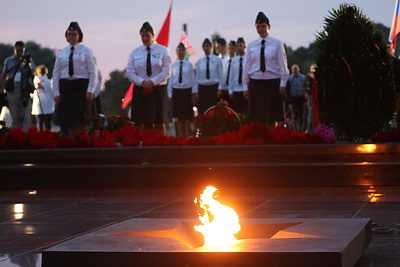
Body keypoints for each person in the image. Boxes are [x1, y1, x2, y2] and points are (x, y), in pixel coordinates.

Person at [243, 12, 289, 127]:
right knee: (257, 117)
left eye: (263, 26)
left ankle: (273, 141)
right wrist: (245, 85)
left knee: (273, 116)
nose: (261, 29)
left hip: (272, 82)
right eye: (258, 27)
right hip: (256, 82)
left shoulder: (277, 43)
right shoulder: (251, 45)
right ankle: (260, 142)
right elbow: (247, 66)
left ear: (269, 26)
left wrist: (283, 82)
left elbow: (283, 63)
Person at [52, 22, 97, 139]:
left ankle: (82, 144)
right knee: (69, 121)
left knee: (81, 120)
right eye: (69, 34)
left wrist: (91, 89)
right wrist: (56, 92)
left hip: (81, 87)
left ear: (79, 35)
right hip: (66, 87)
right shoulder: (62, 52)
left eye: (74, 34)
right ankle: (72, 145)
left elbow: (93, 71)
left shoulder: (86, 51)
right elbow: (56, 73)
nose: (72, 36)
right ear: (66, 36)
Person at [127, 21, 171, 134]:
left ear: (153, 35)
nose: (145, 38)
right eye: (143, 36)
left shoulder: (162, 50)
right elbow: (130, 72)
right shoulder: (135, 52)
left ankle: (161, 145)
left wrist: (153, 82)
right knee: (141, 120)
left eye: (148, 36)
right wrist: (142, 82)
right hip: (141, 90)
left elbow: (166, 70)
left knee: (159, 120)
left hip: (158, 89)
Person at [0, 41, 36, 132]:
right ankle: (16, 135)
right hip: (12, 91)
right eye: (18, 50)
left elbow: (33, 74)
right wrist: (1, 88)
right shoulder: (9, 60)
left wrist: (27, 64)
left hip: (24, 90)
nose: (19, 53)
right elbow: (4, 75)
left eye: (21, 51)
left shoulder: (28, 60)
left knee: (26, 116)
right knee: (15, 116)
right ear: (14, 49)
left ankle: (25, 135)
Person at [167, 43, 195, 137]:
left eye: (183, 50)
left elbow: (193, 79)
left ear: (185, 52)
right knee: (178, 117)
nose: (181, 52)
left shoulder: (189, 65)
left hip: (186, 91)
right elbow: (171, 80)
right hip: (177, 91)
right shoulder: (174, 65)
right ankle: (180, 136)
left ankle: (187, 135)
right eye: (179, 50)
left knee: (186, 117)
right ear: (177, 52)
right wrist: (170, 94)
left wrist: (194, 92)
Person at [193, 38, 223, 114]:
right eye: (204, 46)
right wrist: (196, 90)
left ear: (211, 47)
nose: (206, 48)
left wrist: (220, 88)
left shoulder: (217, 60)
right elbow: (197, 77)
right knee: (203, 109)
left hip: (213, 87)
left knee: (214, 110)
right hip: (203, 88)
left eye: (207, 46)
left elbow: (220, 75)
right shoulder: (200, 61)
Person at [228, 37, 248, 117]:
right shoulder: (234, 60)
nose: (239, 47)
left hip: (245, 89)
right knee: (237, 113)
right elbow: (231, 76)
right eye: (238, 46)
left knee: (246, 111)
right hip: (236, 89)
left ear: (244, 46)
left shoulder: (248, 59)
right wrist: (230, 90)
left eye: (241, 45)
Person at [32, 65, 54, 130]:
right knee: (48, 123)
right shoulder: (48, 82)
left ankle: (39, 137)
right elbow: (52, 92)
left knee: (39, 123)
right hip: (48, 105)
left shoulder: (34, 81)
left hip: (37, 105)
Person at [287, 64, 306, 132]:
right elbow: (287, 89)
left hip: (301, 98)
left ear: (299, 69)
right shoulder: (289, 79)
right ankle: (295, 130)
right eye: (294, 69)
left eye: (296, 69)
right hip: (293, 99)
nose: (295, 71)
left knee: (302, 115)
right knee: (294, 115)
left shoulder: (303, 78)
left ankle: (302, 130)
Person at [302, 63, 317, 133]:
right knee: (309, 114)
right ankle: (309, 129)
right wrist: (306, 95)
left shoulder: (319, 77)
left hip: (317, 99)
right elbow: (304, 87)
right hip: (310, 98)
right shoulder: (308, 77)